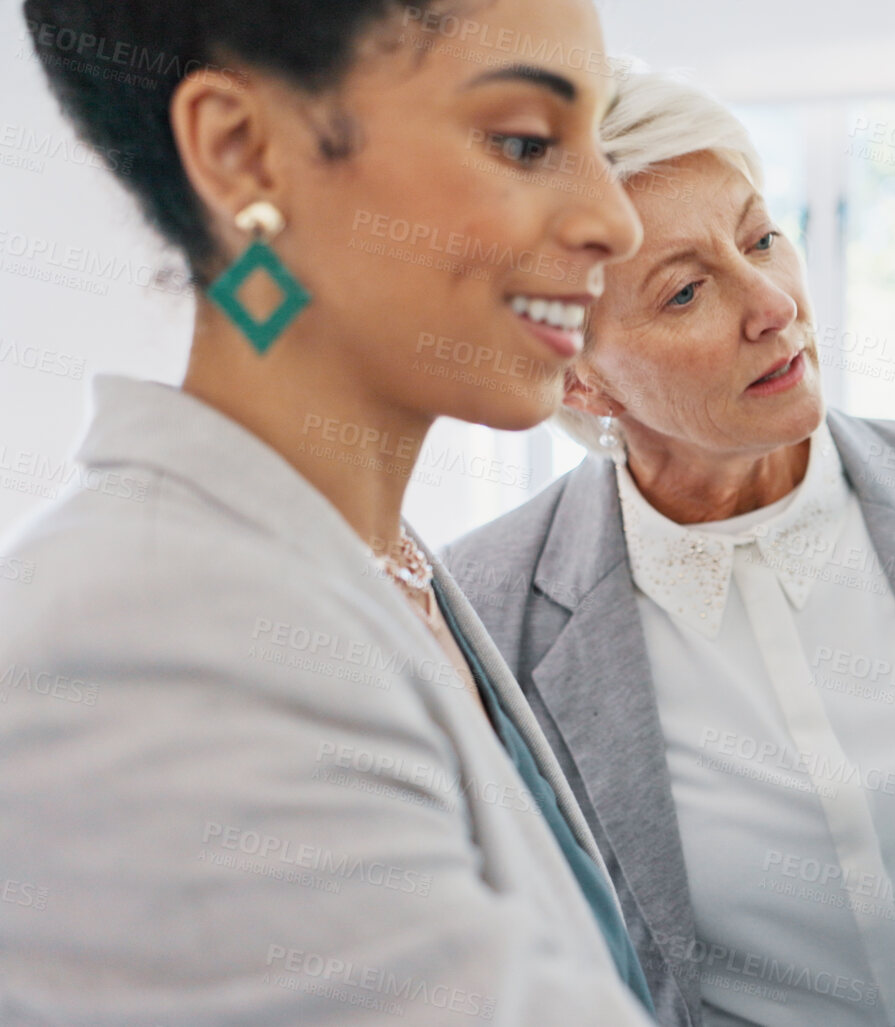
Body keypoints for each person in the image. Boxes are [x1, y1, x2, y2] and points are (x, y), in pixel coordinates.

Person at [0, 1, 655, 1023]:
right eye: (527, 141)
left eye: (599, 146)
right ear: (244, 152)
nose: (616, 219)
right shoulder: (157, 640)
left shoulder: (384, 568)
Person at [441, 69, 895, 1027]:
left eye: (761, 236)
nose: (772, 302)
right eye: (686, 290)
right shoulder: (488, 604)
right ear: (580, 382)